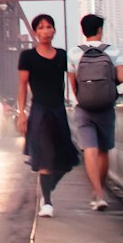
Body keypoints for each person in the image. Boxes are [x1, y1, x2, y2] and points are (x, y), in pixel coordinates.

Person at [16, 13, 77, 216]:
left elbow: (72, 81)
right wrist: (22, 114)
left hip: (58, 110)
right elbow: (23, 86)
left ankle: (47, 190)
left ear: (54, 31)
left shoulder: (62, 55)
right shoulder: (28, 57)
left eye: (49, 27)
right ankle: (48, 203)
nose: (45, 31)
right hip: (40, 111)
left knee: (67, 160)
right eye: (40, 28)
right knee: (45, 157)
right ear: (35, 32)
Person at [68, 13, 123, 211]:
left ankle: (97, 194)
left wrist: (83, 97)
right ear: (100, 30)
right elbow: (122, 77)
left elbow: (72, 83)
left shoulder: (74, 53)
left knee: (89, 149)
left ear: (83, 31)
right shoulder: (114, 51)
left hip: (84, 108)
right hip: (106, 107)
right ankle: (99, 191)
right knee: (103, 150)